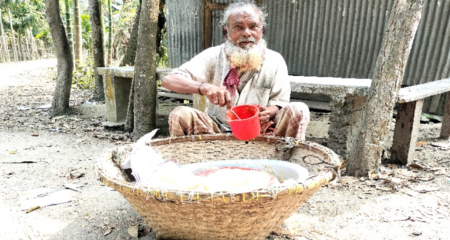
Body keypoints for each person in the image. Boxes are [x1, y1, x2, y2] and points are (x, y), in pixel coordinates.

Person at [161, 0, 310, 140]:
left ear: (261, 30)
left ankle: (286, 160)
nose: (246, 33)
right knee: (180, 115)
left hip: (261, 131)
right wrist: (205, 87)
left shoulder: (275, 60)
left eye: (253, 26)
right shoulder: (214, 55)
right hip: (217, 128)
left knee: (298, 109)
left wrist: (267, 112)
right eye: (238, 27)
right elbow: (169, 80)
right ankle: (194, 164)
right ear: (226, 31)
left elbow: (279, 103)